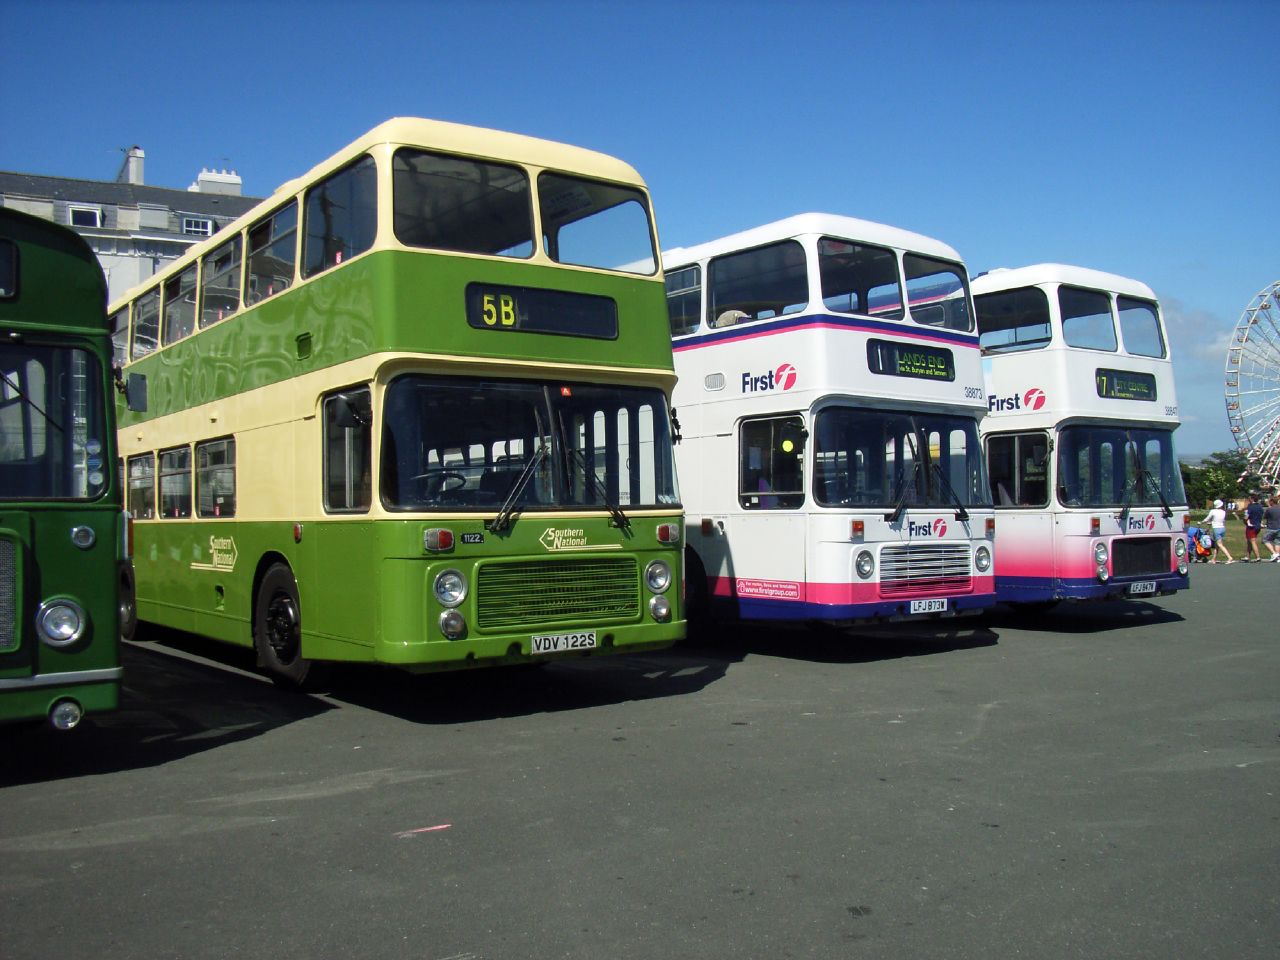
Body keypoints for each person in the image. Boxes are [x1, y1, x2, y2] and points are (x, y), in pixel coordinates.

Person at [1200, 498, 1235, 563]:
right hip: (1222, 528)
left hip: (1216, 529)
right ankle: (1214, 559)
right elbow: (1219, 520)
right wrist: (1212, 522)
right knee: (1217, 545)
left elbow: (1207, 519)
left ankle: (1229, 557)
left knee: (1220, 544)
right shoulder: (1223, 512)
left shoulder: (1213, 511)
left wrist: (1201, 522)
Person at [1243, 494, 1265, 561]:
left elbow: (1246, 516)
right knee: (1249, 541)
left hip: (1251, 526)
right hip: (1258, 525)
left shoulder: (1250, 507)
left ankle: (1258, 557)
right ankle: (1248, 556)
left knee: (1252, 541)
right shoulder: (1260, 506)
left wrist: (1245, 521)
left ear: (1252, 499)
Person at [1263, 497, 1280, 562]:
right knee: (1277, 542)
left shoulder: (1269, 509)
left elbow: (1265, 516)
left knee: (1265, 540)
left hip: (1271, 527)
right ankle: (1278, 556)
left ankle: (1274, 553)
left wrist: (1269, 507)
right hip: (1279, 527)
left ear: (1272, 501)